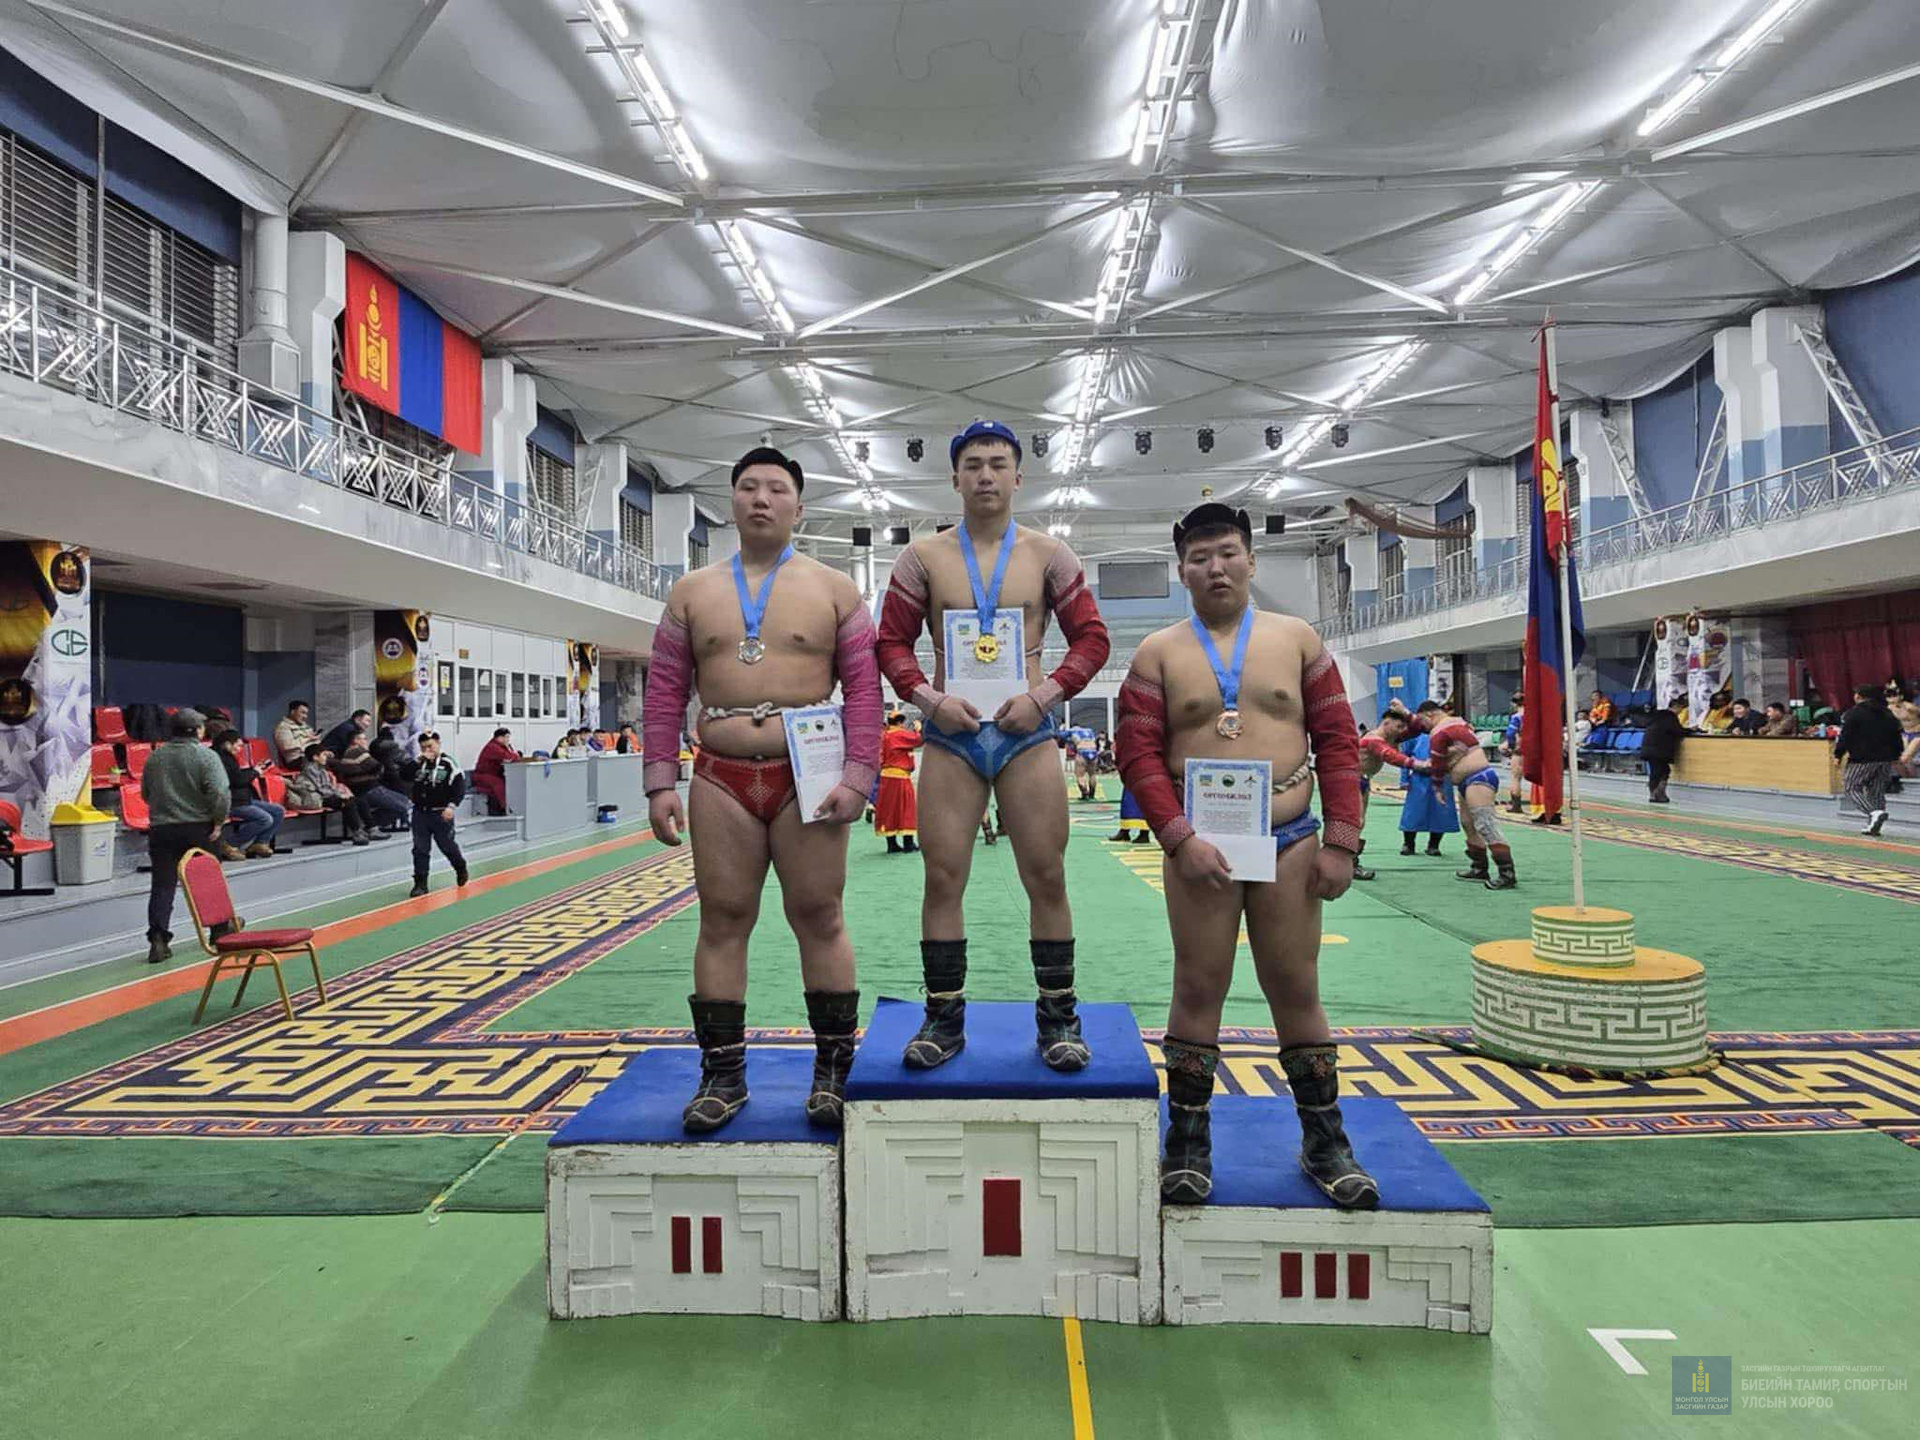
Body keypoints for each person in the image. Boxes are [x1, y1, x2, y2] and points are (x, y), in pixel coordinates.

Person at [1114, 503, 1372, 1210]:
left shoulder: (1298, 639)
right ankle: (1187, 1141)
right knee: (1198, 987)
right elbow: (1136, 756)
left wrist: (1343, 840)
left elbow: (1338, 742)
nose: (1216, 568)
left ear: (1252, 561)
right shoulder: (1157, 653)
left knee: (1296, 988)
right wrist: (1177, 837)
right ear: (1182, 572)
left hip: (1292, 840)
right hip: (1201, 845)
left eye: (1228, 553)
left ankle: (1325, 1140)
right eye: (1200, 558)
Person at [643, 445, 882, 1131]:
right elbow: (665, 690)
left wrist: (859, 777)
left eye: (777, 488)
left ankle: (834, 1071)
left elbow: (865, 692)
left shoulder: (837, 590)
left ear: (798, 507)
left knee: (820, 914)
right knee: (722, 918)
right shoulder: (691, 593)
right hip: (719, 776)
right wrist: (659, 780)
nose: (761, 498)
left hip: (810, 774)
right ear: (732, 500)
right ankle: (723, 1075)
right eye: (749, 486)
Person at [876, 420, 1111, 1072]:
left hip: (1025, 732)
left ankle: (1059, 1018)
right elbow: (889, 643)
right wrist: (930, 701)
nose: (985, 475)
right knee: (942, 876)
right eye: (973, 464)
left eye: (997, 463)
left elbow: (1093, 639)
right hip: (951, 734)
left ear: (1018, 476)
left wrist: (1044, 696)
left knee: (1047, 875)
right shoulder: (922, 558)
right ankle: (943, 1018)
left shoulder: (1050, 555)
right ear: (954, 478)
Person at [138, 709, 233, 964]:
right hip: (199, 827)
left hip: (162, 829)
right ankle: (219, 930)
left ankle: (158, 939)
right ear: (198, 730)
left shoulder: (155, 757)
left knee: (162, 885)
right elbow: (220, 793)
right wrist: (218, 820)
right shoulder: (206, 756)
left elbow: (146, 793)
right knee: (207, 880)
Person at [1415, 700, 1518, 888]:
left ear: (1430, 715)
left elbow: (1437, 764)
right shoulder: (1459, 723)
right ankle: (1479, 867)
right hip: (1469, 780)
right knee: (1468, 824)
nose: (1423, 726)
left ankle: (1507, 873)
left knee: (1486, 824)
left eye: (1423, 721)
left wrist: (1437, 788)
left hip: (1478, 779)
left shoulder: (1440, 732)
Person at [1354, 703, 1429, 879]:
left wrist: (1405, 711)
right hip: (1351, 780)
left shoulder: (1391, 737)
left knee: (1359, 823)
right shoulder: (1373, 739)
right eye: (1399, 726)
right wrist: (1419, 764)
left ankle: (1349, 862)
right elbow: (1390, 756)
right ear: (1386, 723)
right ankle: (1350, 863)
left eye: (1403, 727)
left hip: (1363, 780)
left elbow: (1421, 728)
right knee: (1356, 822)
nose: (1401, 731)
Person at [1833, 683, 1903, 836]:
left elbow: (1846, 736)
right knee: (1876, 792)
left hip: (1862, 758)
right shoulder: (1887, 713)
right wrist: (1896, 755)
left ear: (1859, 696)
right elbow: (1896, 735)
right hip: (1885, 759)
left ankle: (1873, 813)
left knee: (1851, 787)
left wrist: (1838, 754)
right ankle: (1873, 825)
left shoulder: (1854, 713)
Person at [408, 731, 470, 896]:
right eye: (423, 747)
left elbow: (459, 787)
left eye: (430, 746)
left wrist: (451, 806)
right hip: (420, 813)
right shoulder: (419, 763)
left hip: (440, 813)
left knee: (447, 845)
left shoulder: (449, 764)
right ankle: (420, 883)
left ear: (438, 744)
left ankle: (460, 866)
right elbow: (403, 775)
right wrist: (416, 761)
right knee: (420, 849)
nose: (427, 750)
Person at [212, 730, 284, 859]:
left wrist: (252, 770)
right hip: (231, 802)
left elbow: (237, 775)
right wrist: (255, 772)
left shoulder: (229, 757)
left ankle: (260, 843)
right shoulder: (218, 759)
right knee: (265, 819)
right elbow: (236, 781)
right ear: (228, 744)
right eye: (238, 745)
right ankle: (229, 844)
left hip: (243, 798)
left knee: (278, 811)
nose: (240, 749)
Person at [288, 743, 373, 845]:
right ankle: (357, 832)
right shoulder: (309, 770)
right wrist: (339, 795)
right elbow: (320, 789)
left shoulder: (321, 769)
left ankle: (369, 827)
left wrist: (340, 793)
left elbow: (328, 786)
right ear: (315, 757)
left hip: (326, 795)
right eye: (323, 755)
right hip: (317, 798)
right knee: (347, 803)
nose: (326, 757)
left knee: (357, 799)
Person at [330, 736, 411, 829]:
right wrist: (376, 772)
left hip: (367, 787)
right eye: (364, 739)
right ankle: (369, 823)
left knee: (403, 803)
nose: (366, 741)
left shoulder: (352, 753)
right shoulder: (357, 752)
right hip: (368, 788)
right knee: (404, 805)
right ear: (356, 740)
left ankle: (369, 821)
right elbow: (378, 767)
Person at [1397, 731, 1458, 855]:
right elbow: (1404, 757)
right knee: (1413, 812)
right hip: (1418, 778)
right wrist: (1404, 779)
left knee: (1440, 812)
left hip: (1442, 778)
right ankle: (1408, 844)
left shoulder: (1448, 732)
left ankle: (1434, 845)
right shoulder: (1414, 734)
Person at [875, 711, 923, 854]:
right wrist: (918, 729)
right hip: (899, 777)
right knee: (906, 808)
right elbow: (918, 740)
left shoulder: (884, 735)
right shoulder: (898, 734)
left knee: (889, 810)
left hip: (885, 778)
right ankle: (908, 843)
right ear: (899, 722)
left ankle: (892, 844)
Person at [1642, 696, 1686, 804]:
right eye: (1680, 708)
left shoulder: (1657, 715)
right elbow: (1677, 731)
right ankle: (1658, 794)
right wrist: (1690, 730)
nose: (1681, 711)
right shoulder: (1670, 717)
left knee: (1655, 771)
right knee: (1662, 771)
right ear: (1676, 707)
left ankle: (1654, 794)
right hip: (1659, 749)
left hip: (1649, 747)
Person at [472, 727, 519, 814]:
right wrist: (515, 755)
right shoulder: (492, 747)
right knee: (499, 785)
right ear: (499, 737)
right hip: (483, 775)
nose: (508, 740)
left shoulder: (500, 746)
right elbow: (508, 756)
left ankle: (509, 807)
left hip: (493, 774)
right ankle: (504, 808)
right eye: (506, 737)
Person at [273, 700, 320, 768]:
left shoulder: (305, 726)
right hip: (296, 760)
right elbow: (286, 746)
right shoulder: (283, 727)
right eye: (302, 713)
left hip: (311, 755)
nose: (305, 716)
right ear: (292, 712)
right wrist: (308, 739)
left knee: (331, 757)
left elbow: (315, 742)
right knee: (330, 763)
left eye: (306, 714)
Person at [1501, 698, 1526, 815]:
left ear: (1515, 704)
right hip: (1533, 747)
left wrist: (1510, 747)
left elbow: (1510, 733)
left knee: (1516, 777)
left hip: (1520, 748)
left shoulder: (1517, 717)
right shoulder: (1534, 715)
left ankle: (1516, 805)